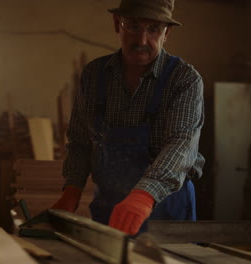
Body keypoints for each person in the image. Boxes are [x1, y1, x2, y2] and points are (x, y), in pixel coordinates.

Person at [52, 0, 205, 236]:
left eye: (153, 29)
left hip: (167, 215)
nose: (142, 40)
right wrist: (71, 190)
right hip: (110, 213)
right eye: (133, 26)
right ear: (117, 24)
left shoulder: (184, 80)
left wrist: (144, 196)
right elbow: (80, 141)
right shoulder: (94, 76)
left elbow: (181, 144)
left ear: (167, 33)